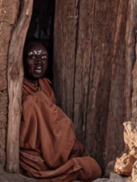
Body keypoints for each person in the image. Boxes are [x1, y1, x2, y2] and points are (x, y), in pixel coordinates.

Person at [20, 42, 101, 182]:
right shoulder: (19, 88)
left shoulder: (45, 86)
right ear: (23, 61)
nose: (39, 61)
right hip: (32, 151)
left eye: (43, 57)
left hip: (54, 146)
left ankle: (61, 158)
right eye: (32, 56)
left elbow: (51, 123)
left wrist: (65, 142)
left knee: (93, 168)